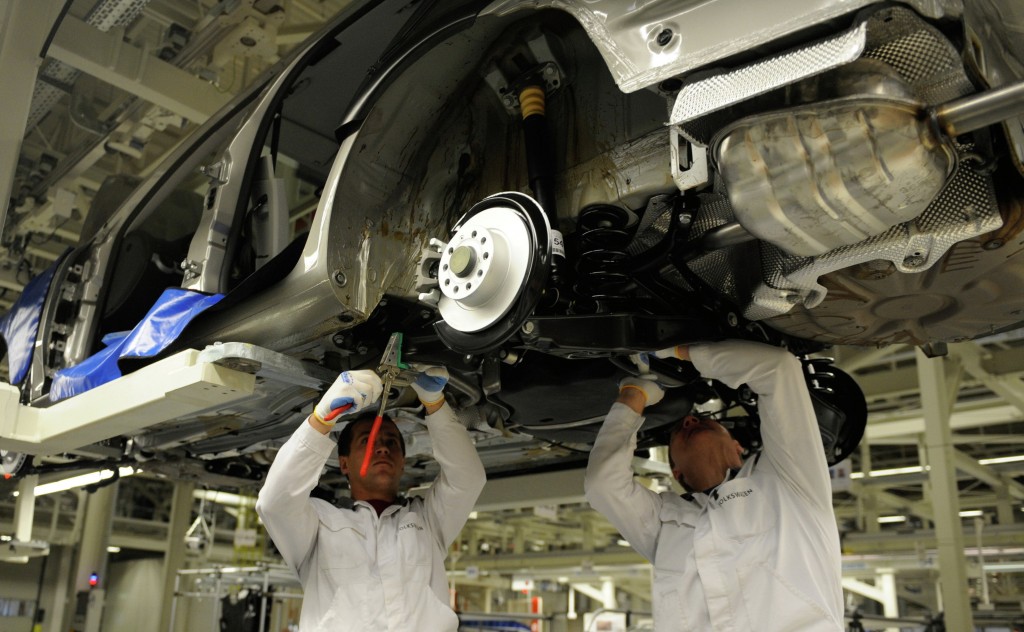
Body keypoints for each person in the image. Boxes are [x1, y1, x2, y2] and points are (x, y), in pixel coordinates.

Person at [585, 340, 844, 632]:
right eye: (689, 424)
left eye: (693, 422)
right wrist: (672, 350)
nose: (690, 420)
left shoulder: (665, 527)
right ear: (676, 471)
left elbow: (602, 485)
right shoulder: (790, 484)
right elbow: (779, 370)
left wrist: (635, 394)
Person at [256, 366, 486, 632]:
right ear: (344, 464)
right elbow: (275, 503)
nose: (382, 447)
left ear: (402, 462)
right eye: (368, 441)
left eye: (391, 442)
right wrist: (322, 418)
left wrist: (435, 403)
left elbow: (468, 479)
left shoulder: (428, 522)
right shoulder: (319, 526)